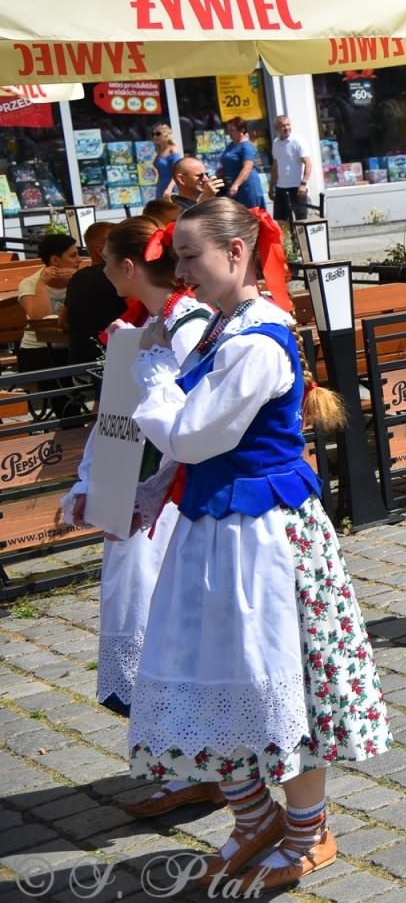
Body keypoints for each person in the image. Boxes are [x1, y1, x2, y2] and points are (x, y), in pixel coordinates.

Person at [127, 198, 388, 888]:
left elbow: (190, 434)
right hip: (218, 529)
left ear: (235, 254)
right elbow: (193, 451)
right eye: (176, 258)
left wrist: (149, 376)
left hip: (262, 537)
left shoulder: (254, 341)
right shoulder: (223, 328)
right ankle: (253, 819)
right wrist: (148, 495)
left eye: (190, 256)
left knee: (278, 676)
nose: (180, 272)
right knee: (214, 671)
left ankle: (308, 830)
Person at [59, 216, 219, 818]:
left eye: (106, 261)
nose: (99, 270)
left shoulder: (187, 327)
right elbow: (115, 422)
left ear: (129, 267)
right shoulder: (142, 329)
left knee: (179, 640)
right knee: (156, 638)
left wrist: (143, 491)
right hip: (138, 506)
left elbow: (193, 426)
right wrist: (93, 486)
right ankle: (189, 764)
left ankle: (213, 768)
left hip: (175, 509)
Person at [17, 232, 78, 403]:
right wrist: (42, 284)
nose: (78, 260)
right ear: (55, 260)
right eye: (73, 255)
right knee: (57, 380)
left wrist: (77, 280)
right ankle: (71, 424)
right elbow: (40, 319)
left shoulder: (79, 279)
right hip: (37, 350)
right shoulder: (30, 283)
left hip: (71, 345)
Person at [63, 221, 125, 366]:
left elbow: (63, 320)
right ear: (100, 249)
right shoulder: (116, 274)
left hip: (79, 362)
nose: (124, 247)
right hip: (115, 361)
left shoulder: (76, 278)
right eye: (117, 243)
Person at [269, 115, 312, 223]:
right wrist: (271, 186)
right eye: (283, 126)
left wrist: (303, 184)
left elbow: (308, 163)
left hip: (296, 187)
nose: (286, 128)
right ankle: (287, 240)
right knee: (280, 221)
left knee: (301, 221)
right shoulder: (276, 143)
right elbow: (275, 165)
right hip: (281, 187)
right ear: (277, 129)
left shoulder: (297, 141)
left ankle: (301, 240)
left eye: (288, 125)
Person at [219, 117, 267, 211]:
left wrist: (235, 185)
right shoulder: (231, 145)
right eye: (228, 130)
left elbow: (247, 168)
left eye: (232, 130)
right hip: (232, 187)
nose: (229, 133)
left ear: (242, 130)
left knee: (251, 217)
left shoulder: (247, 146)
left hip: (246, 188)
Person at [151, 124, 182, 199]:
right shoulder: (159, 151)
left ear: (166, 135)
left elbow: (177, 172)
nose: (155, 136)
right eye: (153, 134)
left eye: (158, 134)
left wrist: (169, 188)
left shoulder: (172, 149)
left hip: (171, 187)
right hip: (161, 186)